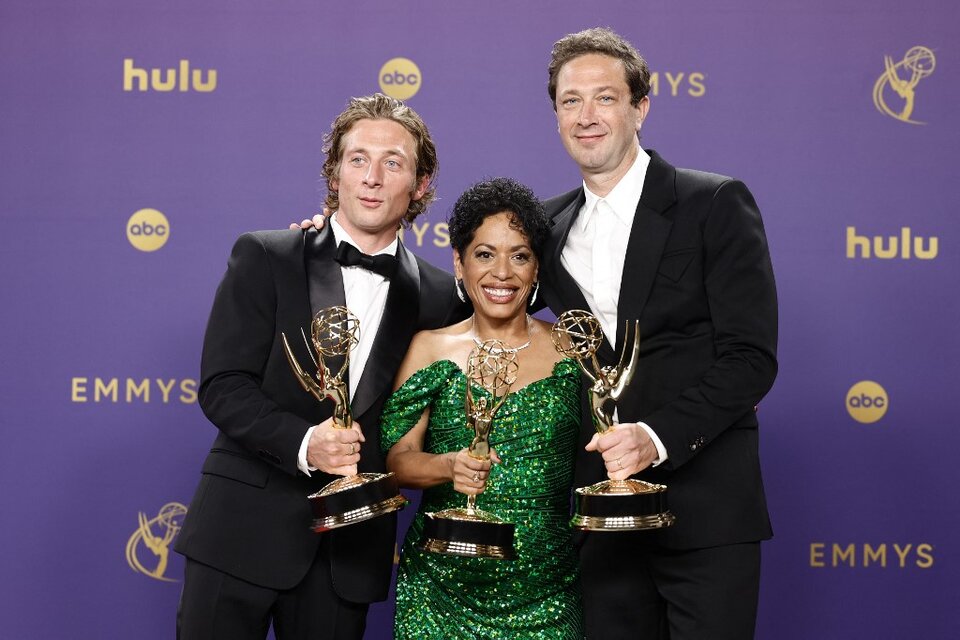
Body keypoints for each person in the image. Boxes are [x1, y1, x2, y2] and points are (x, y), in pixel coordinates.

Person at [175, 93, 467, 640]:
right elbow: (223, 387)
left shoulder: (440, 297)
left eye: (393, 162)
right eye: (357, 159)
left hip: (347, 558)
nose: (372, 177)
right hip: (238, 533)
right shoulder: (268, 255)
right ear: (335, 173)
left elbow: (516, 297)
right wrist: (306, 443)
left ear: (421, 184)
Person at [537, 28, 778, 639]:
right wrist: (336, 240)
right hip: (599, 515)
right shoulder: (546, 225)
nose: (586, 116)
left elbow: (751, 358)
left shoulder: (713, 202)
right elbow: (475, 291)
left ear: (640, 107)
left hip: (705, 513)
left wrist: (654, 437)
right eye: (570, 101)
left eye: (605, 98)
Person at [380, 178, 584, 639]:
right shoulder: (429, 348)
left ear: (536, 269)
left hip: (547, 590)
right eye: (485, 254)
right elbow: (397, 461)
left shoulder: (572, 349)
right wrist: (447, 466)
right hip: (439, 591)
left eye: (520, 255)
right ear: (459, 261)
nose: (502, 274)